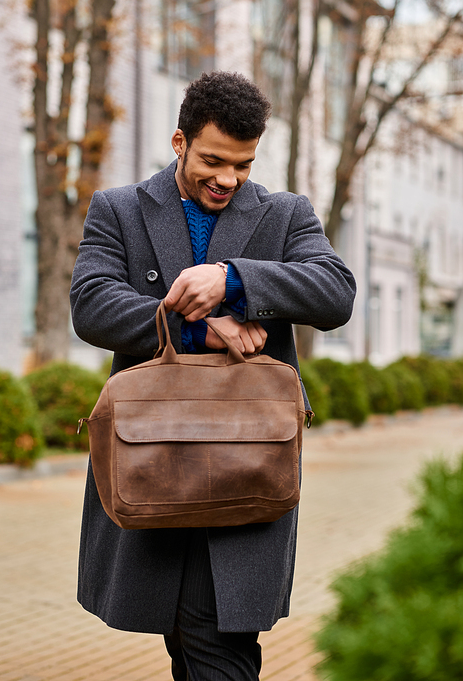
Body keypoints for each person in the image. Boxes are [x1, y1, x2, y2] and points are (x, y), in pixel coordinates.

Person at [70, 71, 356, 680]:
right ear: (179, 142)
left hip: (248, 460)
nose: (228, 179)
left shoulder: (285, 216)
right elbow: (91, 306)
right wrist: (203, 324)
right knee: (189, 638)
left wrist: (234, 279)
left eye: (244, 165)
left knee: (215, 637)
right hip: (151, 458)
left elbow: (336, 294)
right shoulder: (119, 209)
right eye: (213, 160)